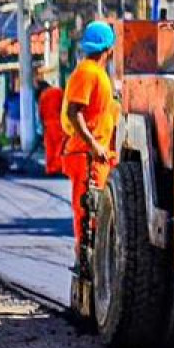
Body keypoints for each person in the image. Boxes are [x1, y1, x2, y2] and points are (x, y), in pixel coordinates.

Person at [62, 21, 121, 253]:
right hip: (86, 156)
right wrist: (94, 145)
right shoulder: (87, 72)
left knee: (95, 214)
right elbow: (73, 111)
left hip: (94, 155)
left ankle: (89, 260)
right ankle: (84, 261)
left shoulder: (97, 73)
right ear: (109, 48)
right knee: (87, 215)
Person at [37, 73, 65, 177]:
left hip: (48, 125)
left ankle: (50, 168)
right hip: (58, 123)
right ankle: (59, 167)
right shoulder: (58, 92)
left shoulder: (43, 96)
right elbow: (64, 107)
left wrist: (43, 126)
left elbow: (40, 113)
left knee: (50, 147)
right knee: (59, 146)